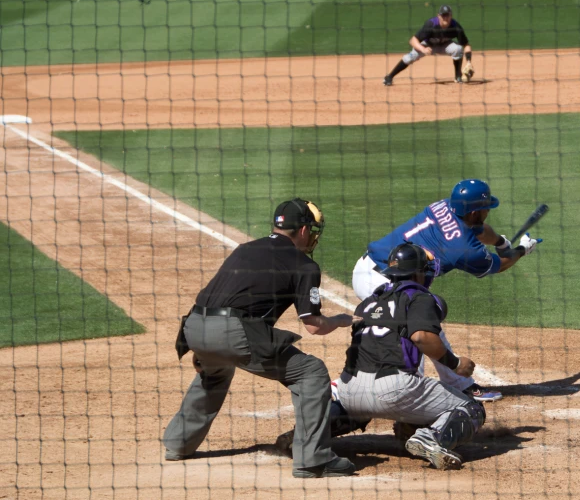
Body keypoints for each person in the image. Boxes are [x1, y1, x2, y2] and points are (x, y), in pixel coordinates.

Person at [163, 198, 359, 478]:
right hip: (233, 332)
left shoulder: (245, 250)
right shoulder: (304, 265)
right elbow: (313, 325)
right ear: (302, 230)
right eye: (312, 230)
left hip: (194, 326)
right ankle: (313, 459)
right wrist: (340, 321)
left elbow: (216, 294)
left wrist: (203, 346)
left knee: (215, 372)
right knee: (311, 372)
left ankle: (177, 444)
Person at [351, 179, 542, 402]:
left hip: (371, 267)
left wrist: (501, 242)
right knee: (415, 332)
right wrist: (521, 250)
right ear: (474, 212)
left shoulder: (446, 205)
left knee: (427, 321)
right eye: (485, 208)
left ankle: (458, 384)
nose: (488, 211)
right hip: (379, 279)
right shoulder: (463, 249)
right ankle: (408, 393)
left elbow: (480, 231)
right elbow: (501, 265)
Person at [337, 243, 486, 470]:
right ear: (418, 273)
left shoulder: (368, 302)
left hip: (349, 389)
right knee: (472, 409)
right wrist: (455, 365)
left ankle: (309, 435)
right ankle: (431, 438)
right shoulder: (418, 297)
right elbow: (421, 337)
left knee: (360, 406)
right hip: (394, 389)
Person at [383, 5, 476, 86]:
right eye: (443, 15)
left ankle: (458, 76)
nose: (445, 18)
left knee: (458, 48)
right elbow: (413, 40)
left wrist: (468, 61)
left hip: (444, 46)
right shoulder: (431, 25)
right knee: (410, 57)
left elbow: (466, 44)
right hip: (428, 45)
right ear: (438, 16)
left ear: (451, 16)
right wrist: (422, 49)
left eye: (447, 15)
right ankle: (389, 77)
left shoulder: (456, 26)